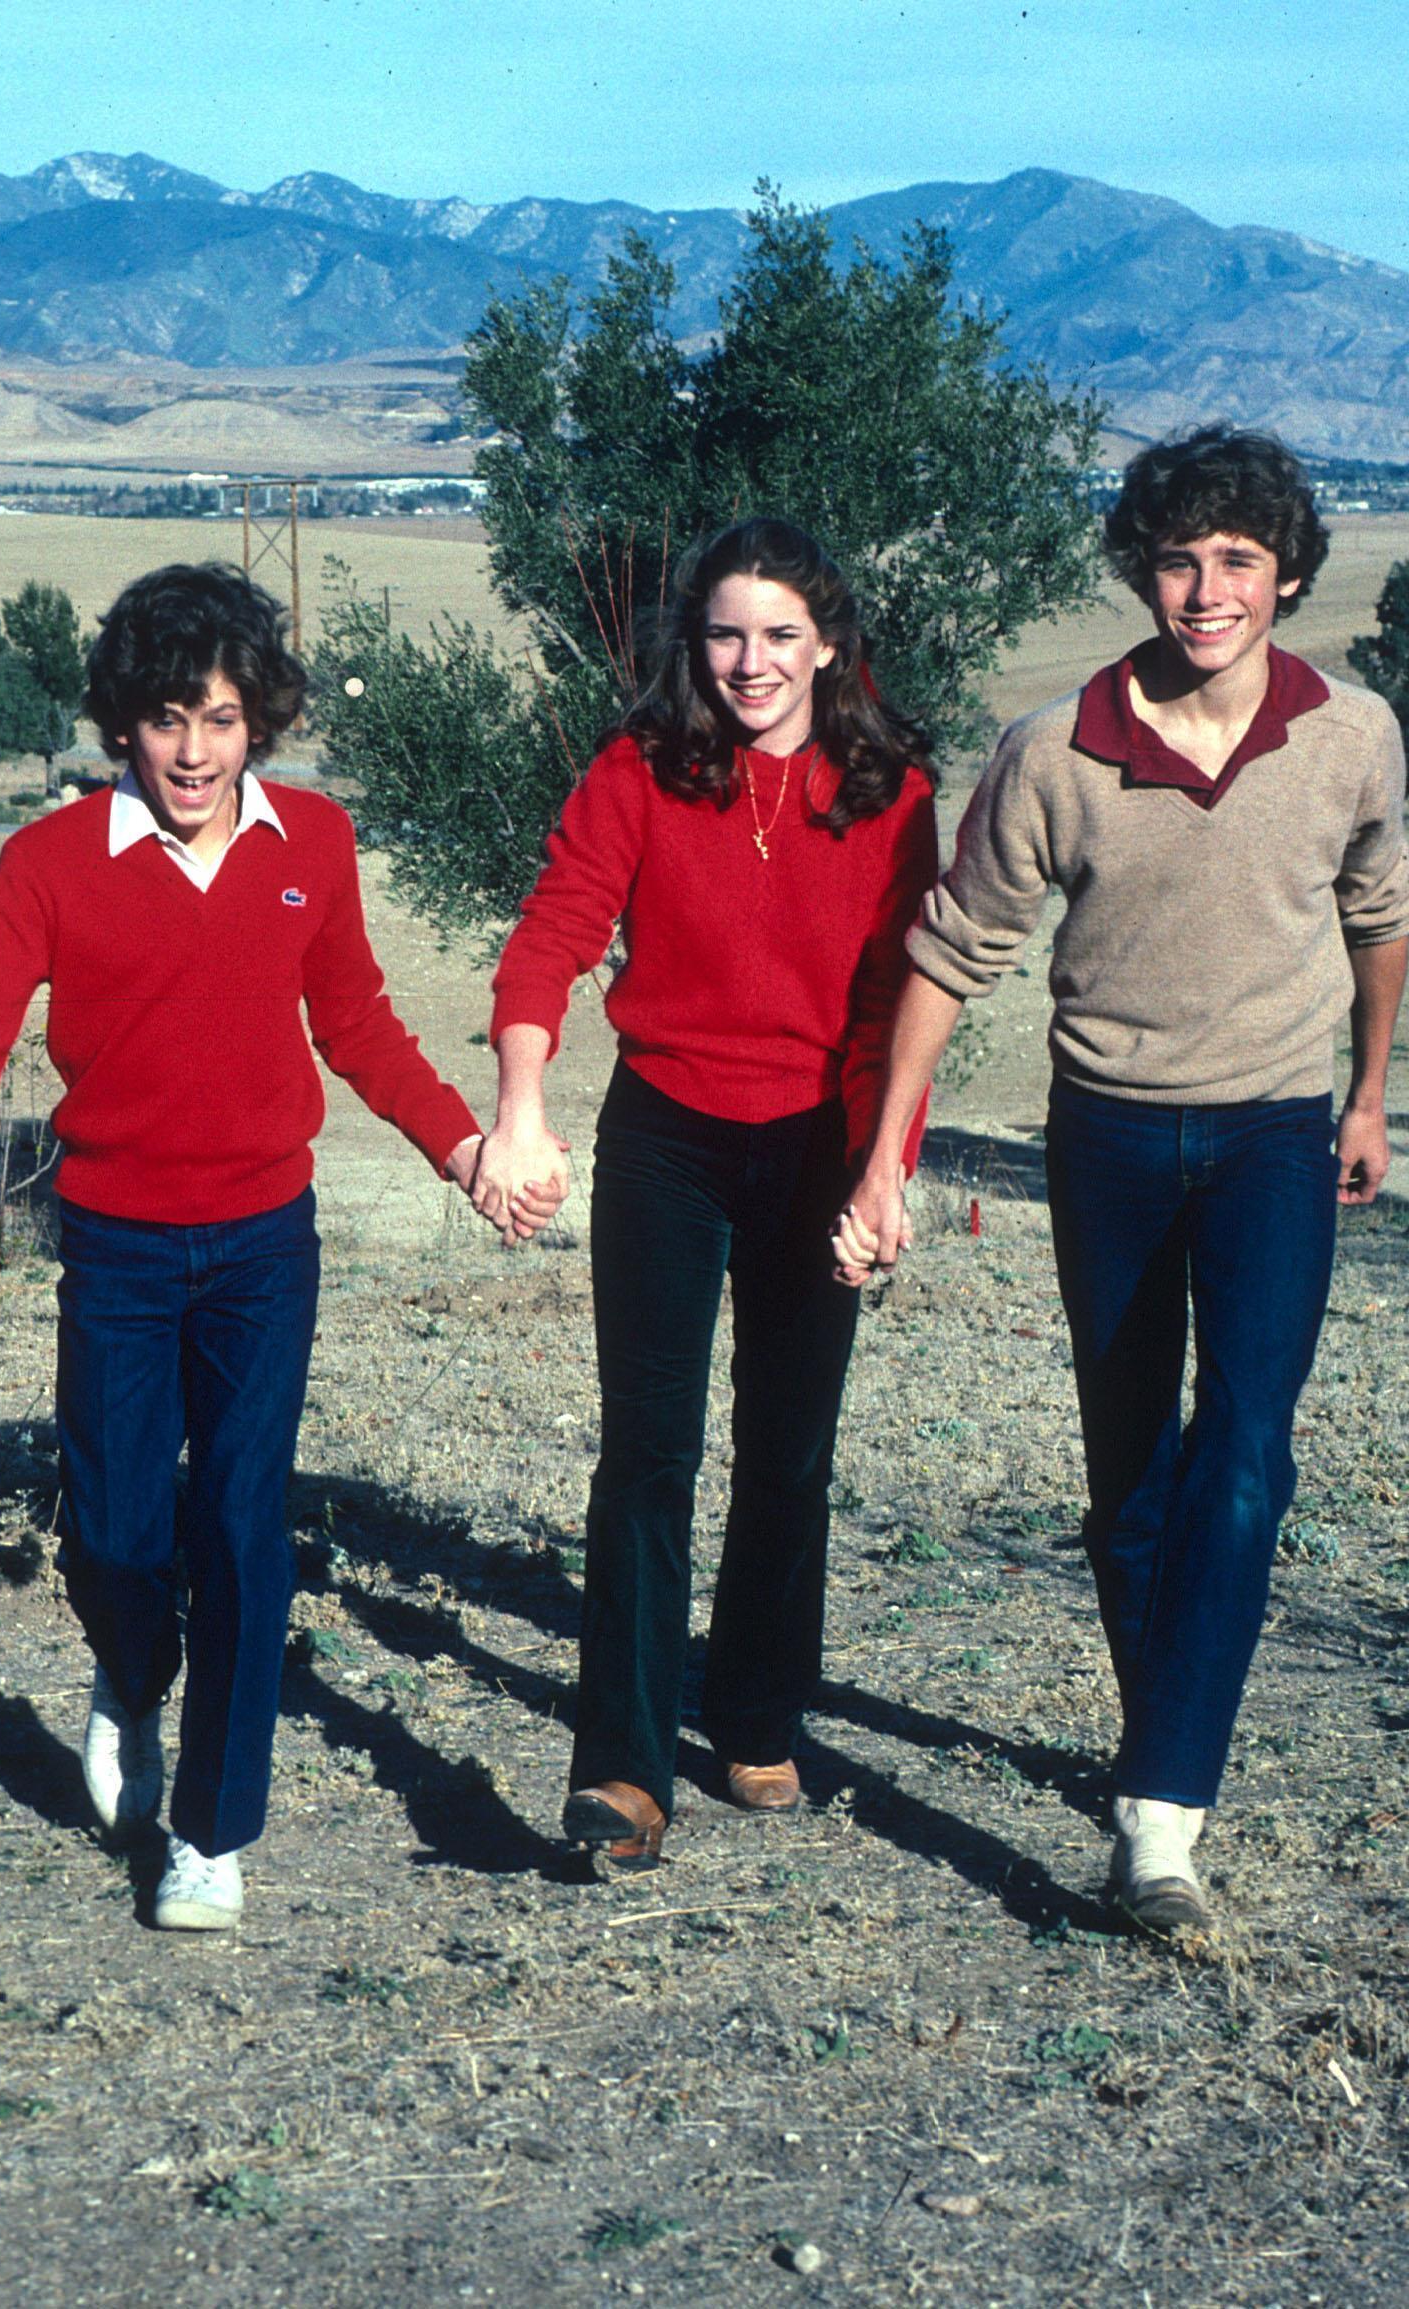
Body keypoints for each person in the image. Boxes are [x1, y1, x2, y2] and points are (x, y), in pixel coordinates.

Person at [842, 424, 1409, 1938]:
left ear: (1287, 571)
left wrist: (1367, 1093)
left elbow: (1380, 907)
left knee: (1249, 1448)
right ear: (1140, 570)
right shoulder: (1055, 750)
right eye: (1179, 557)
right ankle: (1164, 1739)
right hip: (1105, 1138)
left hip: (1277, 1133)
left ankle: (1159, 1818)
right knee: (1128, 1483)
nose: (1207, 589)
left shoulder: (1354, 732)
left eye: (1237, 558)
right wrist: (891, 1154)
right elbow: (952, 953)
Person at [0, 562, 494, 1935]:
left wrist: (461, 1147)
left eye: (223, 719)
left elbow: (358, 1026)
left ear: (260, 724)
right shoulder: (48, 863)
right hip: (112, 1244)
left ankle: (213, 1833)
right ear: (126, 722)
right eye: (170, 717)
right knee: (112, 1533)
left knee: (241, 1526)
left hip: (260, 1246)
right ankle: (132, 1673)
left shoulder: (318, 847)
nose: (194, 749)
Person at [469, 520, 939, 1874]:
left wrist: (883, 1168)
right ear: (698, 644)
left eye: (780, 635)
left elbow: (898, 1004)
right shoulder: (639, 770)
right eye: (727, 633)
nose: (751, 661)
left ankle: (753, 1707)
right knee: (648, 1448)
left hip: (820, 1142)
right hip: (667, 1135)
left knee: (791, 1446)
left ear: (829, 643)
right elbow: (555, 932)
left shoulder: (892, 793)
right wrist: (521, 1105)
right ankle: (620, 1762)